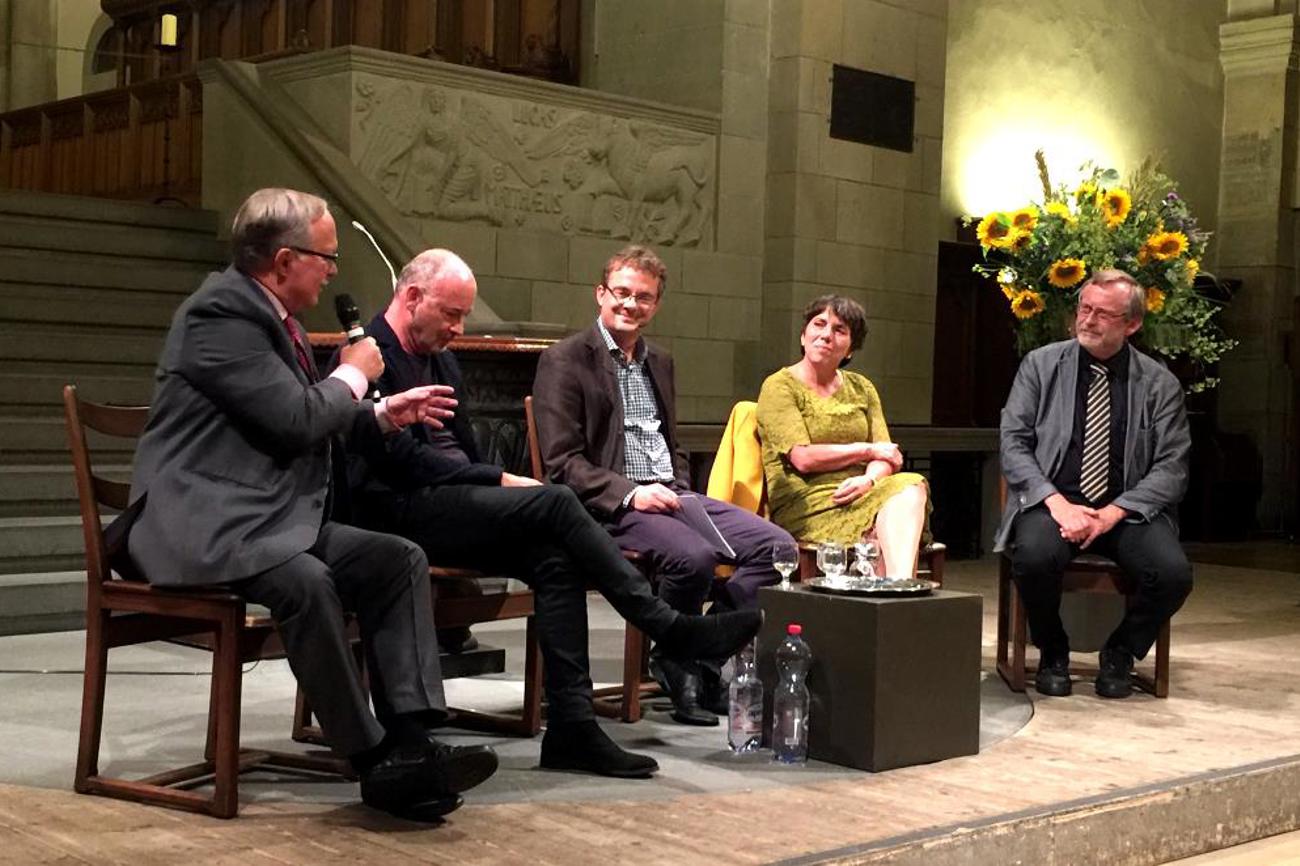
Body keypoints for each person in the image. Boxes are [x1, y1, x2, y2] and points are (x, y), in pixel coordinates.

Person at [124, 188, 497, 820]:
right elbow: (297, 420)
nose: (332, 270)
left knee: (396, 558)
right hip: (203, 521)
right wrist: (353, 374)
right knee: (307, 580)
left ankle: (411, 739)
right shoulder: (220, 313)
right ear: (283, 259)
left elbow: (306, 419)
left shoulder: (276, 317)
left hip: (261, 516)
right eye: (326, 256)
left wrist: (380, 414)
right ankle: (371, 759)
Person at [336, 248, 762, 775]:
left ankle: (572, 728)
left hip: (450, 503)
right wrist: (494, 478)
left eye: (463, 315)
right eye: (451, 314)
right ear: (412, 297)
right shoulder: (370, 354)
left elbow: (463, 448)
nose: (459, 326)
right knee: (556, 498)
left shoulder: (442, 355)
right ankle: (667, 625)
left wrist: (487, 481)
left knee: (555, 558)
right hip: (393, 508)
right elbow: (393, 460)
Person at [532, 244, 793, 726]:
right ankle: (680, 666)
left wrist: (678, 485)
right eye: (622, 293)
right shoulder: (565, 360)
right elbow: (562, 463)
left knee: (778, 549)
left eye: (644, 298)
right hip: (608, 505)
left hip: (672, 495)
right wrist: (633, 493)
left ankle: (698, 661)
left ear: (656, 305)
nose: (631, 305)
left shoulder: (661, 361)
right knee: (691, 558)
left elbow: (668, 439)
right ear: (600, 294)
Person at [995, 269, 1194, 699]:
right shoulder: (1041, 365)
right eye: (1084, 308)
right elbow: (1013, 443)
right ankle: (1053, 649)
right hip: (1055, 504)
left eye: (1103, 313)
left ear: (1132, 324)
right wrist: (1055, 502)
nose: (1088, 319)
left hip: (1126, 512)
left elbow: (1172, 467)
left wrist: (1113, 513)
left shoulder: (1160, 383)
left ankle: (1121, 651)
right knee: (1032, 556)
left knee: (1174, 574)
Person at [755, 295, 929, 578]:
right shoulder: (779, 386)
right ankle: (897, 604)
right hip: (809, 502)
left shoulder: (863, 388)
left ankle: (898, 589)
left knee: (909, 486)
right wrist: (865, 450)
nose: (826, 335)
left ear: (850, 349)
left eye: (839, 330)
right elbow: (803, 457)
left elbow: (887, 455)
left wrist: (868, 480)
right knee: (884, 523)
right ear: (803, 335)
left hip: (864, 491)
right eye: (819, 324)